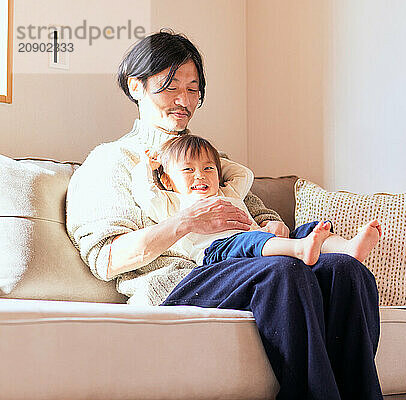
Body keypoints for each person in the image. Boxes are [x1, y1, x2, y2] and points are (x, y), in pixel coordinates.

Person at [66, 29, 384, 400]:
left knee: (347, 271)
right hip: (175, 282)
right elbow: (106, 259)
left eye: (193, 88)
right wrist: (186, 221)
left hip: (234, 264)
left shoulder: (208, 159)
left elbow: (257, 215)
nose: (184, 100)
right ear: (136, 86)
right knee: (283, 271)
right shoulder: (110, 161)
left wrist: (273, 225)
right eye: (170, 86)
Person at [131, 134, 382, 267]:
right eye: (187, 170)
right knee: (253, 239)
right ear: (166, 179)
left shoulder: (227, 192)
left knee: (308, 229)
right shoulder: (173, 203)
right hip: (218, 254)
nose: (200, 175)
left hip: (261, 240)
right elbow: (144, 192)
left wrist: (216, 161)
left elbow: (244, 174)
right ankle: (301, 250)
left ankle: (347, 249)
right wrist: (149, 164)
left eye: (208, 169)